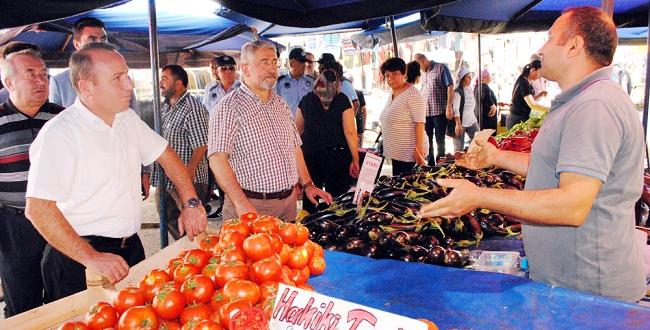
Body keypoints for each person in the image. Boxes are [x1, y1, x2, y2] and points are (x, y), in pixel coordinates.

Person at [420, 6, 646, 302]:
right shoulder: (583, 99)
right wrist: (495, 157)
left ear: (575, 46)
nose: (541, 48)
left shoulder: (595, 105)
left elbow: (572, 205)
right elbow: (557, 167)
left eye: (551, 38)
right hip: (573, 284)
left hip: (590, 292)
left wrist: (479, 196)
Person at [25, 43, 207, 302]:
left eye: (127, 75)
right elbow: (39, 209)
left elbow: (165, 154)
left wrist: (190, 201)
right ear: (86, 87)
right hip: (78, 258)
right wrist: (92, 258)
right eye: (117, 78)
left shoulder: (126, 119)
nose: (129, 85)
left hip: (130, 248)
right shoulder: (60, 134)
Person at [208, 40, 332, 222]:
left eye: (274, 62)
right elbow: (217, 159)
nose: (272, 68)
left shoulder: (280, 104)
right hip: (251, 206)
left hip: (288, 204)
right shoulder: (229, 107)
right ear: (246, 69)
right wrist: (241, 202)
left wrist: (308, 185)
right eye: (264, 62)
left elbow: (295, 147)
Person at [0, 50, 64, 317]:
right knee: (22, 302)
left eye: (44, 75)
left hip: (62, 222)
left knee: (64, 295)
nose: (41, 81)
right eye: (31, 75)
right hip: (15, 226)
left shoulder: (63, 119)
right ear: (9, 82)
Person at [152, 64, 209, 240]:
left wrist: (188, 174)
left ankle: (196, 256)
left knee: (190, 226)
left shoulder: (193, 108)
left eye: (165, 79)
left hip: (189, 181)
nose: (160, 83)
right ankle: (186, 252)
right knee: (169, 218)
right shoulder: (165, 107)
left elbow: (201, 146)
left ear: (178, 84)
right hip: (167, 178)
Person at [295, 69, 359, 213]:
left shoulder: (306, 100)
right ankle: (337, 227)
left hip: (310, 155)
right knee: (338, 199)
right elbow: (350, 132)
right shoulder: (342, 99)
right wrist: (355, 158)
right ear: (337, 84)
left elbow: (297, 131)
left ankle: (310, 229)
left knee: (311, 197)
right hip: (337, 156)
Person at [49, 17, 139, 113]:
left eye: (103, 39)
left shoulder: (122, 78)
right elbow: (56, 120)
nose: (100, 44)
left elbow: (134, 117)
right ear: (76, 44)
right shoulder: (60, 82)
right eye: (92, 39)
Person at [379, 58, 428, 176]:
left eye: (395, 74)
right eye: (387, 75)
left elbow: (419, 123)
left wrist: (418, 150)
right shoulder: (393, 92)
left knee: (408, 190)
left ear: (404, 74)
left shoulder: (412, 94)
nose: (390, 78)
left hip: (409, 155)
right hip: (398, 154)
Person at [414, 53, 453, 165]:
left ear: (423, 61)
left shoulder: (441, 68)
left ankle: (440, 163)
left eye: (419, 66)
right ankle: (430, 164)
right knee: (427, 140)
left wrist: (449, 107)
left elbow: (450, 86)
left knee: (440, 140)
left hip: (439, 111)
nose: (419, 69)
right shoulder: (422, 73)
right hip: (425, 113)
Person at [507, 59, 549, 129]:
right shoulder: (524, 83)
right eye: (539, 73)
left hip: (520, 117)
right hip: (517, 119)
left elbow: (528, 100)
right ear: (533, 70)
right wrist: (549, 109)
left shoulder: (524, 80)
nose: (539, 76)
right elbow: (532, 104)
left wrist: (540, 95)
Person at [276, 47, 314, 117]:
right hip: (288, 125)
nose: (305, 65)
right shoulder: (280, 83)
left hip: (308, 126)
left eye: (304, 62)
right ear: (291, 64)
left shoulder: (311, 82)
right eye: (301, 62)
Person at [451, 68, 479, 152]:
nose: (470, 79)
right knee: (459, 148)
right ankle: (457, 164)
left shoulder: (470, 89)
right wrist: (458, 124)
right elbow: (455, 109)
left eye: (471, 77)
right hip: (461, 122)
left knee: (479, 141)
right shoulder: (457, 92)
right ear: (462, 78)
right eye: (468, 77)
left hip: (472, 120)